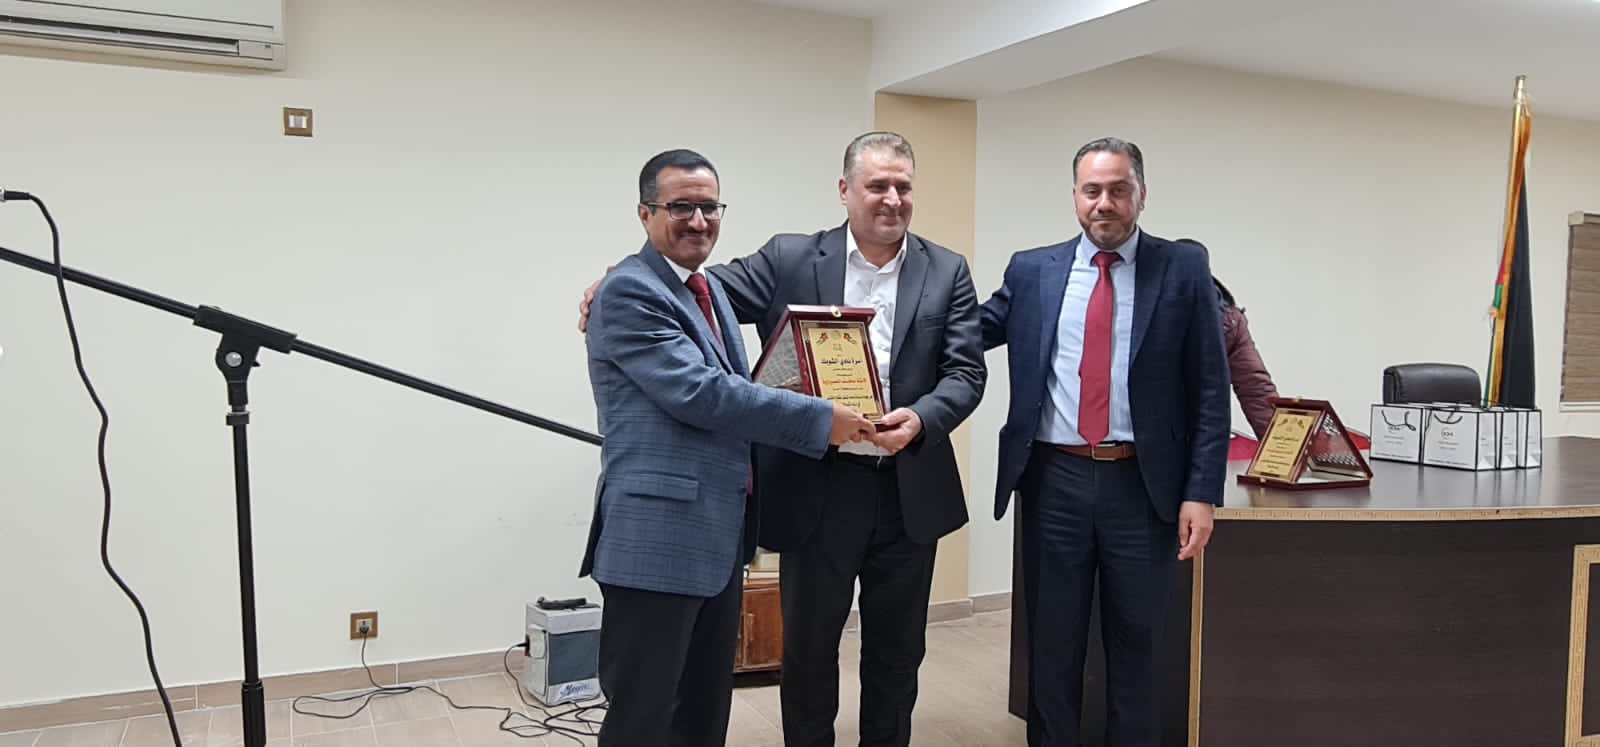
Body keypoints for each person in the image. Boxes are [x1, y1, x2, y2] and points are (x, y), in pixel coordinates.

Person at [577, 131, 986, 746]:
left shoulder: (947, 269)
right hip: (818, 487)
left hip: (907, 490)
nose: (891, 198)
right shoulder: (789, 259)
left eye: (903, 186)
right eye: (877, 185)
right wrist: (612, 277)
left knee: (898, 654)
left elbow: (966, 372)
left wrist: (924, 418)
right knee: (807, 654)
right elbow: (692, 288)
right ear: (845, 190)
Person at [978, 137, 1231, 746]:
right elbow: (969, 331)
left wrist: (1201, 492)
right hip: (1053, 481)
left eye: (1119, 189)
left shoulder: (1182, 268)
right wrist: (882, 323)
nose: (1105, 203)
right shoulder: (1032, 269)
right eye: (1092, 190)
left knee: (1138, 644)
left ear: (1141, 194)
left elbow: (1209, 387)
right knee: (1052, 643)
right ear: (1075, 196)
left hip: (1143, 487)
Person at [1174, 239, 1282, 439]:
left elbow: (1254, 387)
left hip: (1201, 436)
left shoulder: (1228, 323)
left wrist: (1281, 446)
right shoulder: (1138, 313)